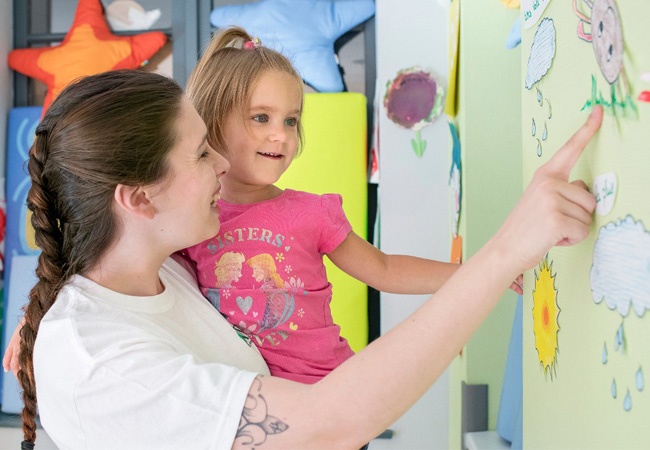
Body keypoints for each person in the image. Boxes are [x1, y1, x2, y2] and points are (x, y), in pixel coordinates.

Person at [2, 67, 602, 449]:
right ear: (137, 198)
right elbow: (329, 422)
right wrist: (503, 254)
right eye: (201, 155)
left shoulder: (160, 266)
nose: (222, 165)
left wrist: (42, 312)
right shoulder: (102, 365)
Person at [182, 26, 522, 383]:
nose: (281, 134)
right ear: (212, 118)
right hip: (256, 406)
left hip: (333, 391)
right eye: (261, 117)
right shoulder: (189, 223)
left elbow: (385, 269)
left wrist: (482, 272)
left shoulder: (312, 214)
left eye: (291, 120)